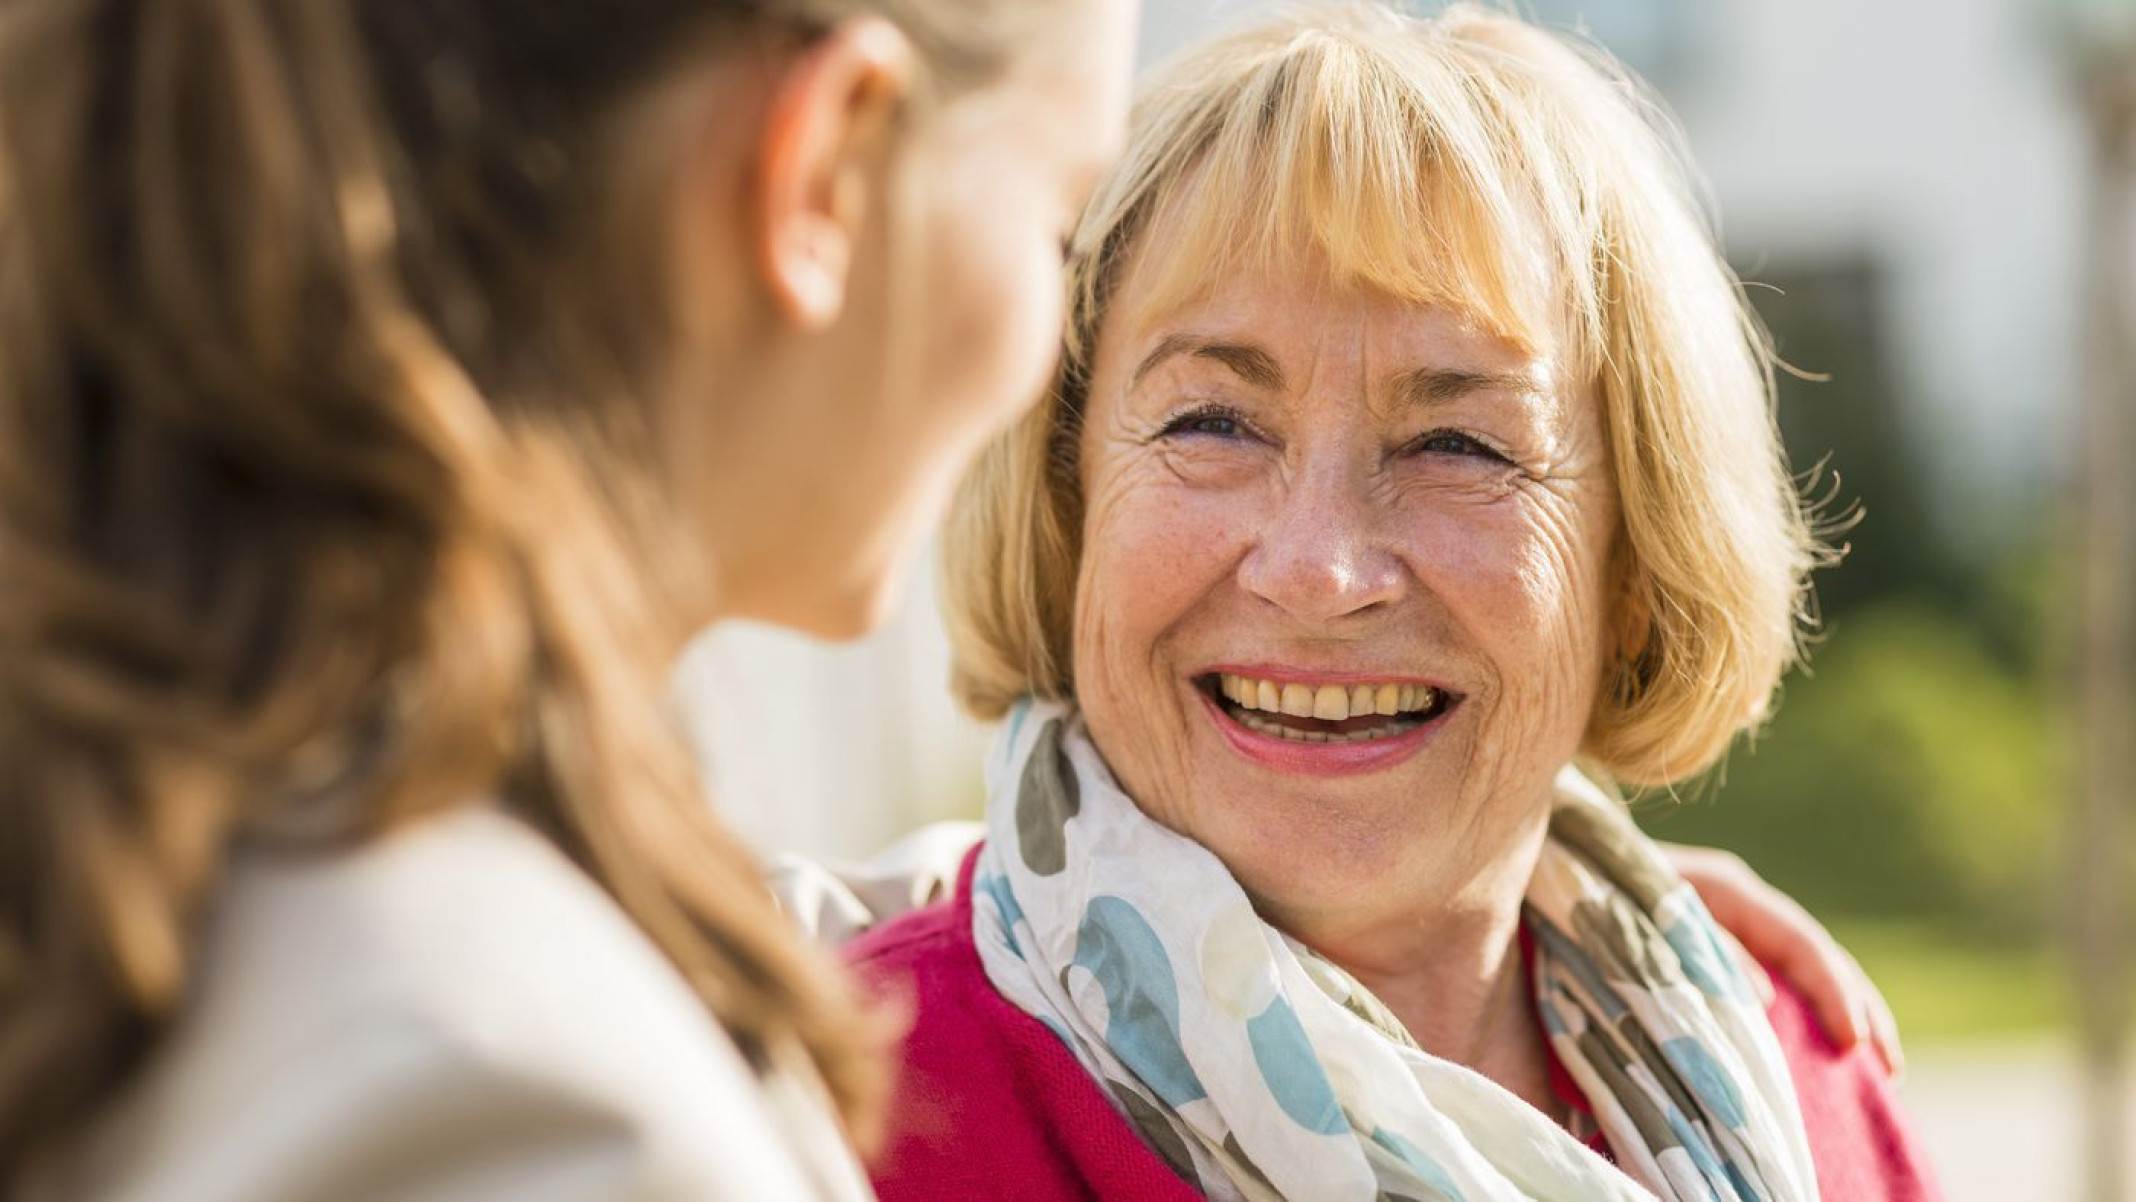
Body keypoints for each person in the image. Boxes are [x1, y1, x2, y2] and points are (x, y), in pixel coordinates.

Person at [0, 0, 1134, 1197]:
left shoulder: (177, 836)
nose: (1049, 345)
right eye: (1060, 231)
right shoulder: (524, 1106)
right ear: (828, 164)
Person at [847, 4, 1943, 1198]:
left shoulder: (1804, 1077)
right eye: (1212, 421)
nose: (1318, 568)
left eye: (1458, 443)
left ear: (1634, 568)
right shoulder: (852, 1110)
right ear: (1069, 512)